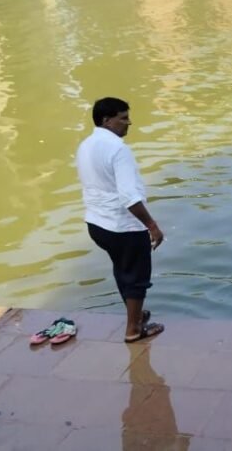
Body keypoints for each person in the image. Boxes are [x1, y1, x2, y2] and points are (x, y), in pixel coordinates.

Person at [76, 97, 165, 343]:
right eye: (123, 118)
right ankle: (133, 329)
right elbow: (129, 196)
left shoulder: (85, 144)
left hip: (96, 223)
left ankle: (136, 316)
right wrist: (152, 226)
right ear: (107, 120)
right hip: (122, 225)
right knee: (136, 277)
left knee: (123, 269)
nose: (129, 123)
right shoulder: (118, 149)